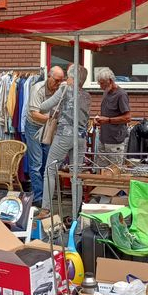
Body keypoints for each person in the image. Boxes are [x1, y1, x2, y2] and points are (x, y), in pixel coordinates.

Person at [40, 64, 91, 215]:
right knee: (77, 174)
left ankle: (46, 209)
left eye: (68, 76)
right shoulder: (87, 96)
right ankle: (76, 212)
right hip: (81, 137)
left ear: (72, 78)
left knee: (49, 170)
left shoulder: (64, 89)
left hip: (64, 135)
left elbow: (44, 107)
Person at [24, 66, 65, 206]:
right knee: (36, 163)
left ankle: (46, 195)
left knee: (48, 162)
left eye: (61, 81)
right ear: (49, 77)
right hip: (35, 126)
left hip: (50, 127)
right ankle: (39, 198)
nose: (58, 84)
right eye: (56, 81)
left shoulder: (60, 90)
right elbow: (35, 114)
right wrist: (52, 120)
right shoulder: (37, 89)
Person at [94, 67, 132, 166]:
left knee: (115, 172)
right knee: (101, 171)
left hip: (115, 141)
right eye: (99, 83)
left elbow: (128, 117)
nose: (100, 86)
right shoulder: (106, 92)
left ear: (110, 81)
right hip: (103, 139)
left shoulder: (121, 95)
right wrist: (98, 119)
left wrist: (108, 120)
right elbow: (106, 111)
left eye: (102, 83)